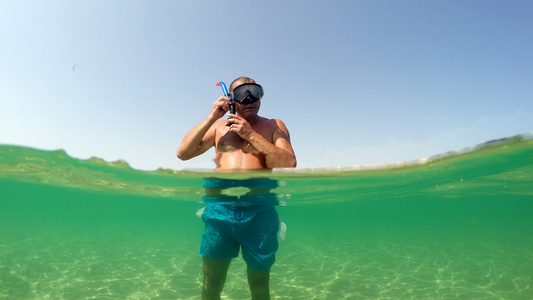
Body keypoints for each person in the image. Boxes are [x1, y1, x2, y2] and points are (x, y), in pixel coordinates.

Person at [176, 77, 296, 299]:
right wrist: (212, 116)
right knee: (211, 282)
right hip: (220, 210)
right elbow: (183, 153)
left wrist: (249, 134)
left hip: (260, 211)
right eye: (242, 93)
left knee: (260, 285)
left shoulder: (274, 125)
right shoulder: (219, 127)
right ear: (231, 99)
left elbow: (288, 162)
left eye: (255, 92)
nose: (249, 98)